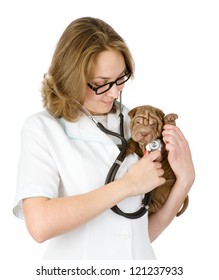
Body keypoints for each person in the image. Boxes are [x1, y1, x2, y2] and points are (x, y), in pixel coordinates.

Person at [13, 17, 195, 260]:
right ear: (71, 78)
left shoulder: (134, 124)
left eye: (121, 78)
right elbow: (39, 224)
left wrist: (185, 180)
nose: (114, 92)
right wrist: (128, 185)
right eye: (101, 84)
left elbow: (139, 233)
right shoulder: (42, 129)